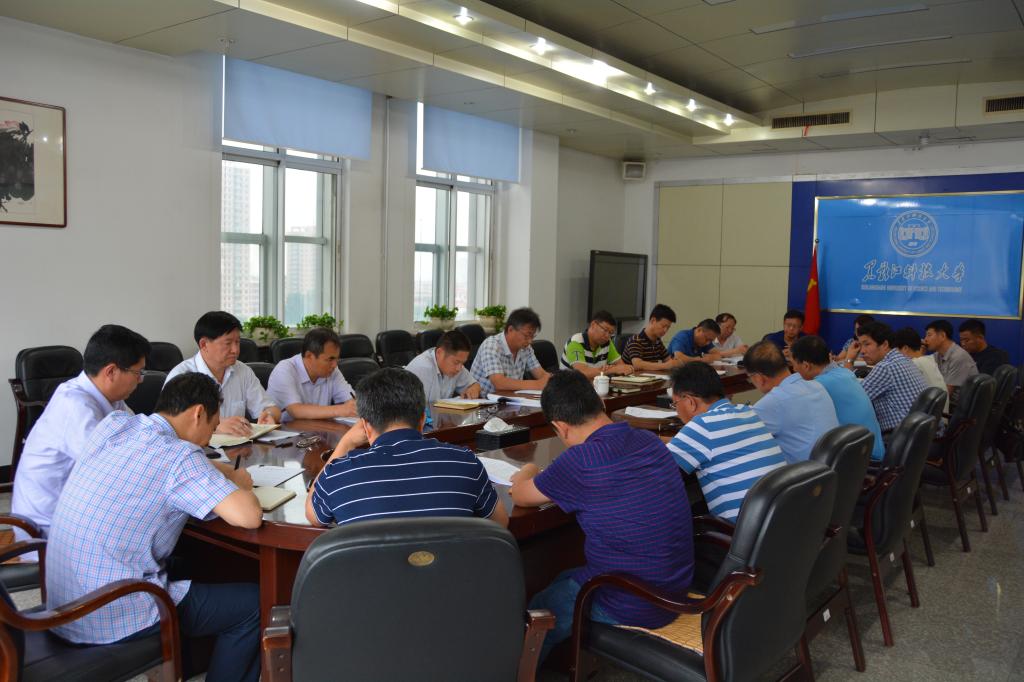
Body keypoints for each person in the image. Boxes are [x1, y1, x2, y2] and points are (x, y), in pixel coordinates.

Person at [46, 373, 262, 682]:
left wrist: (221, 470)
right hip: (109, 611)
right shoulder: (179, 456)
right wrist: (239, 481)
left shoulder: (115, 424)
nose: (209, 439)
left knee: (195, 564)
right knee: (256, 604)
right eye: (213, 428)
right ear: (198, 413)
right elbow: (249, 517)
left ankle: (190, 662)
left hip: (65, 603)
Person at [509, 371, 693, 662]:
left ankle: (522, 670)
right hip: (674, 587)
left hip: (635, 601)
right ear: (601, 404)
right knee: (563, 576)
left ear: (560, 427)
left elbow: (520, 495)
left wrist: (528, 469)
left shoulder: (580, 460)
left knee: (541, 606)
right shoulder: (649, 440)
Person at [306, 367, 508, 528]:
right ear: (422, 420)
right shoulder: (465, 462)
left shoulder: (340, 474)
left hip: (373, 570)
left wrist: (346, 442)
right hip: (451, 569)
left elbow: (313, 515)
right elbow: (499, 523)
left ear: (366, 427)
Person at [12, 324, 150, 541]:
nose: (140, 380)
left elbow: (140, 435)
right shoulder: (75, 405)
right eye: (138, 373)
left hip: (77, 510)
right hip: (48, 530)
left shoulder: (110, 398)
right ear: (111, 372)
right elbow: (112, 470)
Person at [665, 363, 785, 521]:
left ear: (689, 401)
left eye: (675, 404)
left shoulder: (703, 425)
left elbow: (658, 467)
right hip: (779, 520)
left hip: (740, 530)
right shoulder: (747, 412)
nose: (676, 411)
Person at [166, 311, 281, 435]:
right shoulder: (181, 376)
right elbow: (172, 426)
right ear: (204, 344)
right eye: (228, 343)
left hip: (240, 445)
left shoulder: (243, 371)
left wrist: (269, 415)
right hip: (196, 446)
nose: (235, 350)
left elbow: (271, 408)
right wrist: (215, 425)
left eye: (237, 342)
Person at [791, 335, 885, 462]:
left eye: (794, 365)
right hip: (872, 450)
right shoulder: (845, 373)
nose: (794, 369)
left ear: (806, 366)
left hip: (864, 460)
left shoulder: (817, 386)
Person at [745, 341, 839, 464]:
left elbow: (742, 441)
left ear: (759, 378)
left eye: (750, 378)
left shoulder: (772, 402)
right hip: (835, 466)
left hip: (808, 472)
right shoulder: (817, 386)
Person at [267, 327, 357, 421]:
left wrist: (354, 405)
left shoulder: (332, 370)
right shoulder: (284, 369)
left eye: (336, 359)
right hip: (285, 428)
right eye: (330, 359)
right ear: (309, 356)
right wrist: (340, 410)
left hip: (317, 428)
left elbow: (350, 399)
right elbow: (295, 410)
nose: (335, 365)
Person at [855, 322, 930, 434]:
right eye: (860, 345)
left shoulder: (886, 367)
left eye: (867, 344)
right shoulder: (903, 359)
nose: (862, 351)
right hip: (921, 433)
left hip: (901, 435)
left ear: (885, 344)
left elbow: (854, 400)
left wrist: (849, 360)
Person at [469, 307, 550, 395]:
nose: (530, 341)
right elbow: (499, 383)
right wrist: (537, 384)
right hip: (483, 400)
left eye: (532, 337)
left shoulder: (526, 348)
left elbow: (541, 374)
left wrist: (552, 381)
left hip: (511, 399)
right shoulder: (491, 345)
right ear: (510, 330)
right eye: (526, 336)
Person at [405, 329, 482, 403]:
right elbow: (417, 408)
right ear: (440, 353)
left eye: (462, 363)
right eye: (456, 362)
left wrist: (474, 389)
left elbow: (474, 385)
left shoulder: (456, 366)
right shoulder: (422, 368)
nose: (459, 368)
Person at [560, 310, 634, 378]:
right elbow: (582, 373)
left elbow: (622, 367)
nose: (607, 336)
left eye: (610, 333)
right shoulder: (576, 342)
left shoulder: (607, 343)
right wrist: (612, 369)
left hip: (593, 385)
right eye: (605, 330)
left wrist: (612, 368)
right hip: (569, 387)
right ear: (593, 325)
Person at [893, 327, 949, 412]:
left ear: (905, 348)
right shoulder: (929, 360)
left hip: (927, 416)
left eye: (896, 351)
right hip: (939, 415)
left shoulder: (912, 364)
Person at [924, 319, 978, 401]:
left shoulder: (959, 356)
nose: (925, 339)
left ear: (942, 336)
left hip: (957, 404)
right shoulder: (938, 355)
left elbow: (945, 393)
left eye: (929, 335)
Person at [620, 304, 682, 371]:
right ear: (653, 320)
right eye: (663, 326)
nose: (665, 330)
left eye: (668, 327)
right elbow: (638, 365)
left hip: (650, 376)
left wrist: (675, 363)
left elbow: (669, 360)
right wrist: (666, 365)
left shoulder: (658, 342)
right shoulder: (635, 340)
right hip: (632, 377)